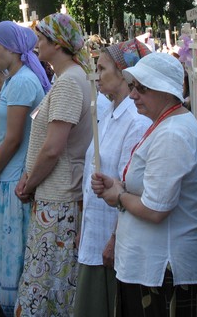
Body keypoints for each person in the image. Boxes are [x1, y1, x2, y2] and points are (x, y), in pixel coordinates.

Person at [91, 52, 197, 317]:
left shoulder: (173, 133)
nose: (133, 94)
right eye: (133, 86)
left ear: (166, 91)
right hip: (150, 266)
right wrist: (118, 184)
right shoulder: (165, 124)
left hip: (162, 270)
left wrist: (119, 196)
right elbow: (149, 186)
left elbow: (156, 209)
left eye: (142, 88)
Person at [14, 13, 93, 315]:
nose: (36, 45)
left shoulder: (69, 82)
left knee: (48, 280)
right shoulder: (69, 79)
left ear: (57, 45)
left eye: (42, 39)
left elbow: (53, 148)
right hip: (55, 192)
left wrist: (29, 181)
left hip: (59, 196)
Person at [0, 21, 48, 315]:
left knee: (11, 254)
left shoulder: (22, 82)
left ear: (14, 50)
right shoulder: (15, 80)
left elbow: (13, 139)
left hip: (11, 179)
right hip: (6, 177)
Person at [74, 39, 150, 317]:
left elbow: (131, 185)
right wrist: (84, 224)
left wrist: (114, 239)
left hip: (114, 235)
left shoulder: (137, 120)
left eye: (102, 68)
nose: (96, 74)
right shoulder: (107, 113)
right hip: (96, 229)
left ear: (124, 73)